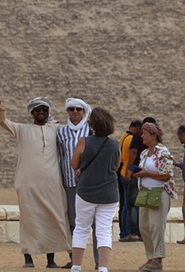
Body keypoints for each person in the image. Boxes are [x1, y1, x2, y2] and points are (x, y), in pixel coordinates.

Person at [0, 95, 71, 268]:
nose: (41, 113)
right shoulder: (22, 129)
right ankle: (28, 257)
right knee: (29, 221)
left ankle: (51, 260)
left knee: (54, 220)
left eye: (44, 110)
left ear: (48, 112)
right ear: (32, 113)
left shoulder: (57, 129)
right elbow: (3, 121)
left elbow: (76, 130)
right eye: (37, 110)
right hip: (27, 184)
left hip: (52, 184)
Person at [69, 107, 120, 272]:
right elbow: (116, 166)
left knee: (81, 228)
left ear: (92, 125)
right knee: (104, 230)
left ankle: (76, 266)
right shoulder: (114, 144)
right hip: (109, 193)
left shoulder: (84, 141)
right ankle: (103, 268)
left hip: (86, 192)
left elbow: (74, 164)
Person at [57, 98, 97, 268]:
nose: (75, 112)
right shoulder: (61, 133)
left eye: (78, 109)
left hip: (90, 183)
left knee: (96, 223)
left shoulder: (92, 131)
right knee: (74, 222)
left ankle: (99, 260)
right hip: (70, 183)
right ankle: (75, 259)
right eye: (71, 109)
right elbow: (60, 156)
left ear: (84, 111)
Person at [133, 122, 177, 272]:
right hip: (145, 193)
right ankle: (151, 257)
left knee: (156, 227)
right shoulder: (144, 153)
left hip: (159, 193)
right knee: (144, 227)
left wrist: (146, 174)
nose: (142, 136)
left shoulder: (163, 152)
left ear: (153, 135)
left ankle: (158, 260)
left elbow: (167, 175)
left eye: (144, 133)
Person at [118, 119, 142, 242]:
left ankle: (122, 232)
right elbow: (133, 153)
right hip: (128, 173)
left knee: (123, 205)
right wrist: (130, 171)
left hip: (120, 172)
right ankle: (127, 232)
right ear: (138, 128)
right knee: (129, 204)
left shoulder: (123, 136)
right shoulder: (132, 138)